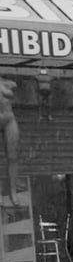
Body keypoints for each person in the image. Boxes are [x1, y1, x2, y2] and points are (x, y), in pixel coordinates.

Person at [0, 76, 20, 205]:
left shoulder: (6, 83)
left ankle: (13, 191)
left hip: (9, 118)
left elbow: (14, 85)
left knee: (12, 156)